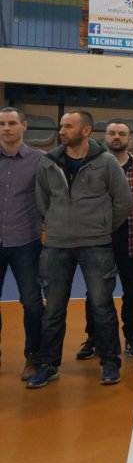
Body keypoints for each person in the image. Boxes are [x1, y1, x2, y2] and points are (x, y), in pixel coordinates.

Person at [29, 110, 132, 388]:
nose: (62, 131)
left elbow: (123, 202)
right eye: (61, 126)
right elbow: (43, 201)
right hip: (56, 246)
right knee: (53, 309)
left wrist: (101, 226)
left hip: (96, 244)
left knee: (102, 306)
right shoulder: (47, 163)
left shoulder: (106, 162)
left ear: (86, 130)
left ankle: (110, 362)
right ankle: (48, 364)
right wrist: (59, 224)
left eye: (68, 126)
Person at [75, 121, 133, 359]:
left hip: (132, 238)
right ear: (105, 137)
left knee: (132, 291)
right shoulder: (92, 166)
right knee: (95, 292)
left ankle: (132, 337)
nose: (117, 137)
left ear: (130, 138)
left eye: (122, 133)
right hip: (99, 239)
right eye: (112, 133)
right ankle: (93, 337)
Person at [0, 107, 46, 381]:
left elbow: (49, 198)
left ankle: (34, 357)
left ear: (24, 126)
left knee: (31, 302)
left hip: (26, 243)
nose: (6, 128)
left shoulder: (39, 160)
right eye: (2, 123)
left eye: (12, 123)